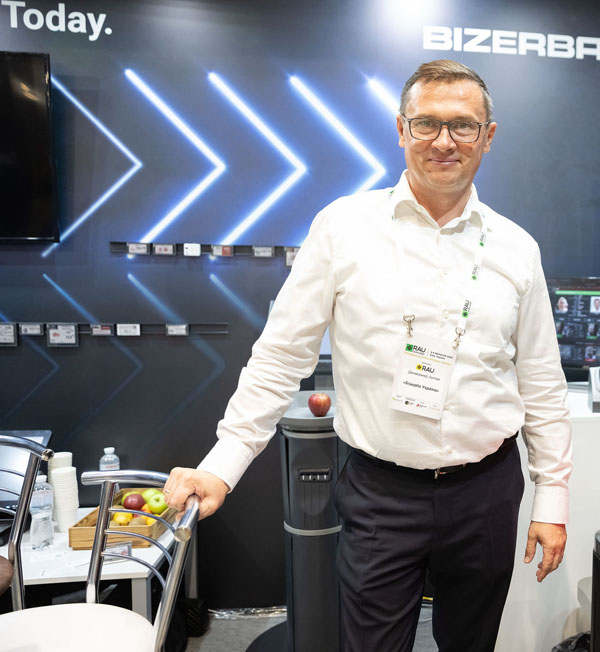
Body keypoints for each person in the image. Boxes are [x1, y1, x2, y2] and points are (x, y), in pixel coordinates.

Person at [162, 60, 572, 652]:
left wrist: (551, 499)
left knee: (473, 642)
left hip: (487, 491)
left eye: (463, 125)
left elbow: (541, 382)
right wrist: (221, 465)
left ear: (488, 136)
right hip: (382, 493)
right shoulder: (342, 228)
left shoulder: (516, 248)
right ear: (401, 129)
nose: (444, 141)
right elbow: (280, 356)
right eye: (427, 123)